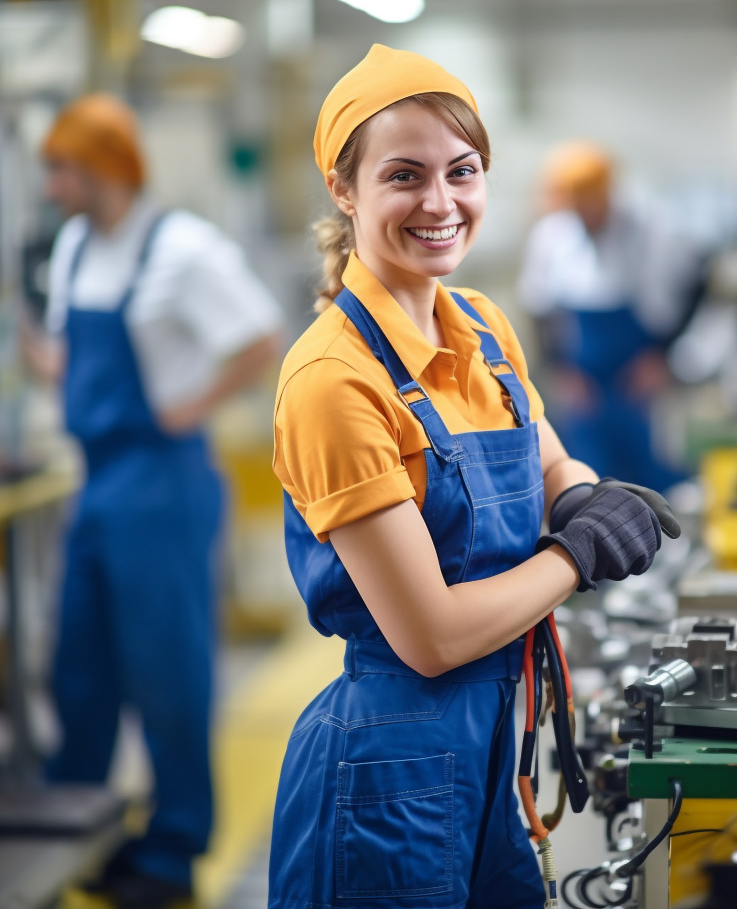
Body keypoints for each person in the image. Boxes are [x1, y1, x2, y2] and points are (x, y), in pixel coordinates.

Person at [269, 44, 679, 909]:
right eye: (405, 175)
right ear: (345, 191)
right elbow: (435, 636)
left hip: (498, 745)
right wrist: (577, 555)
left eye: (463, 171)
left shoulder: (483, 328)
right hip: (388, 775)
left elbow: (548, 454)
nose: (440, 202)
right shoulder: (333, 382)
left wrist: (582, 496)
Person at [24, 93, 284, 909]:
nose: (51, 186)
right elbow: (75, 350)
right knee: (82, 666)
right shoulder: (72, 246)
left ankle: (173, 850)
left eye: (61, 169)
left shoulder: (182, 249)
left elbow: (259, 336)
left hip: (163, 482)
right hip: (96, 481)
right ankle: (79, 825)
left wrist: (190, 406)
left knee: (168, 672)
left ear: (103, 168)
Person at [517, 141, 700, 493]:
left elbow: (695, 285)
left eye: (589, 202)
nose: (583, 213)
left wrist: (661, 356)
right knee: (588, 471)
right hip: (583, 375)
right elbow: (539, 309)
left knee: (648, 464)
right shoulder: (552, 236)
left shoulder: (651, 231)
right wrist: (561, 370)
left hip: (637, 371)